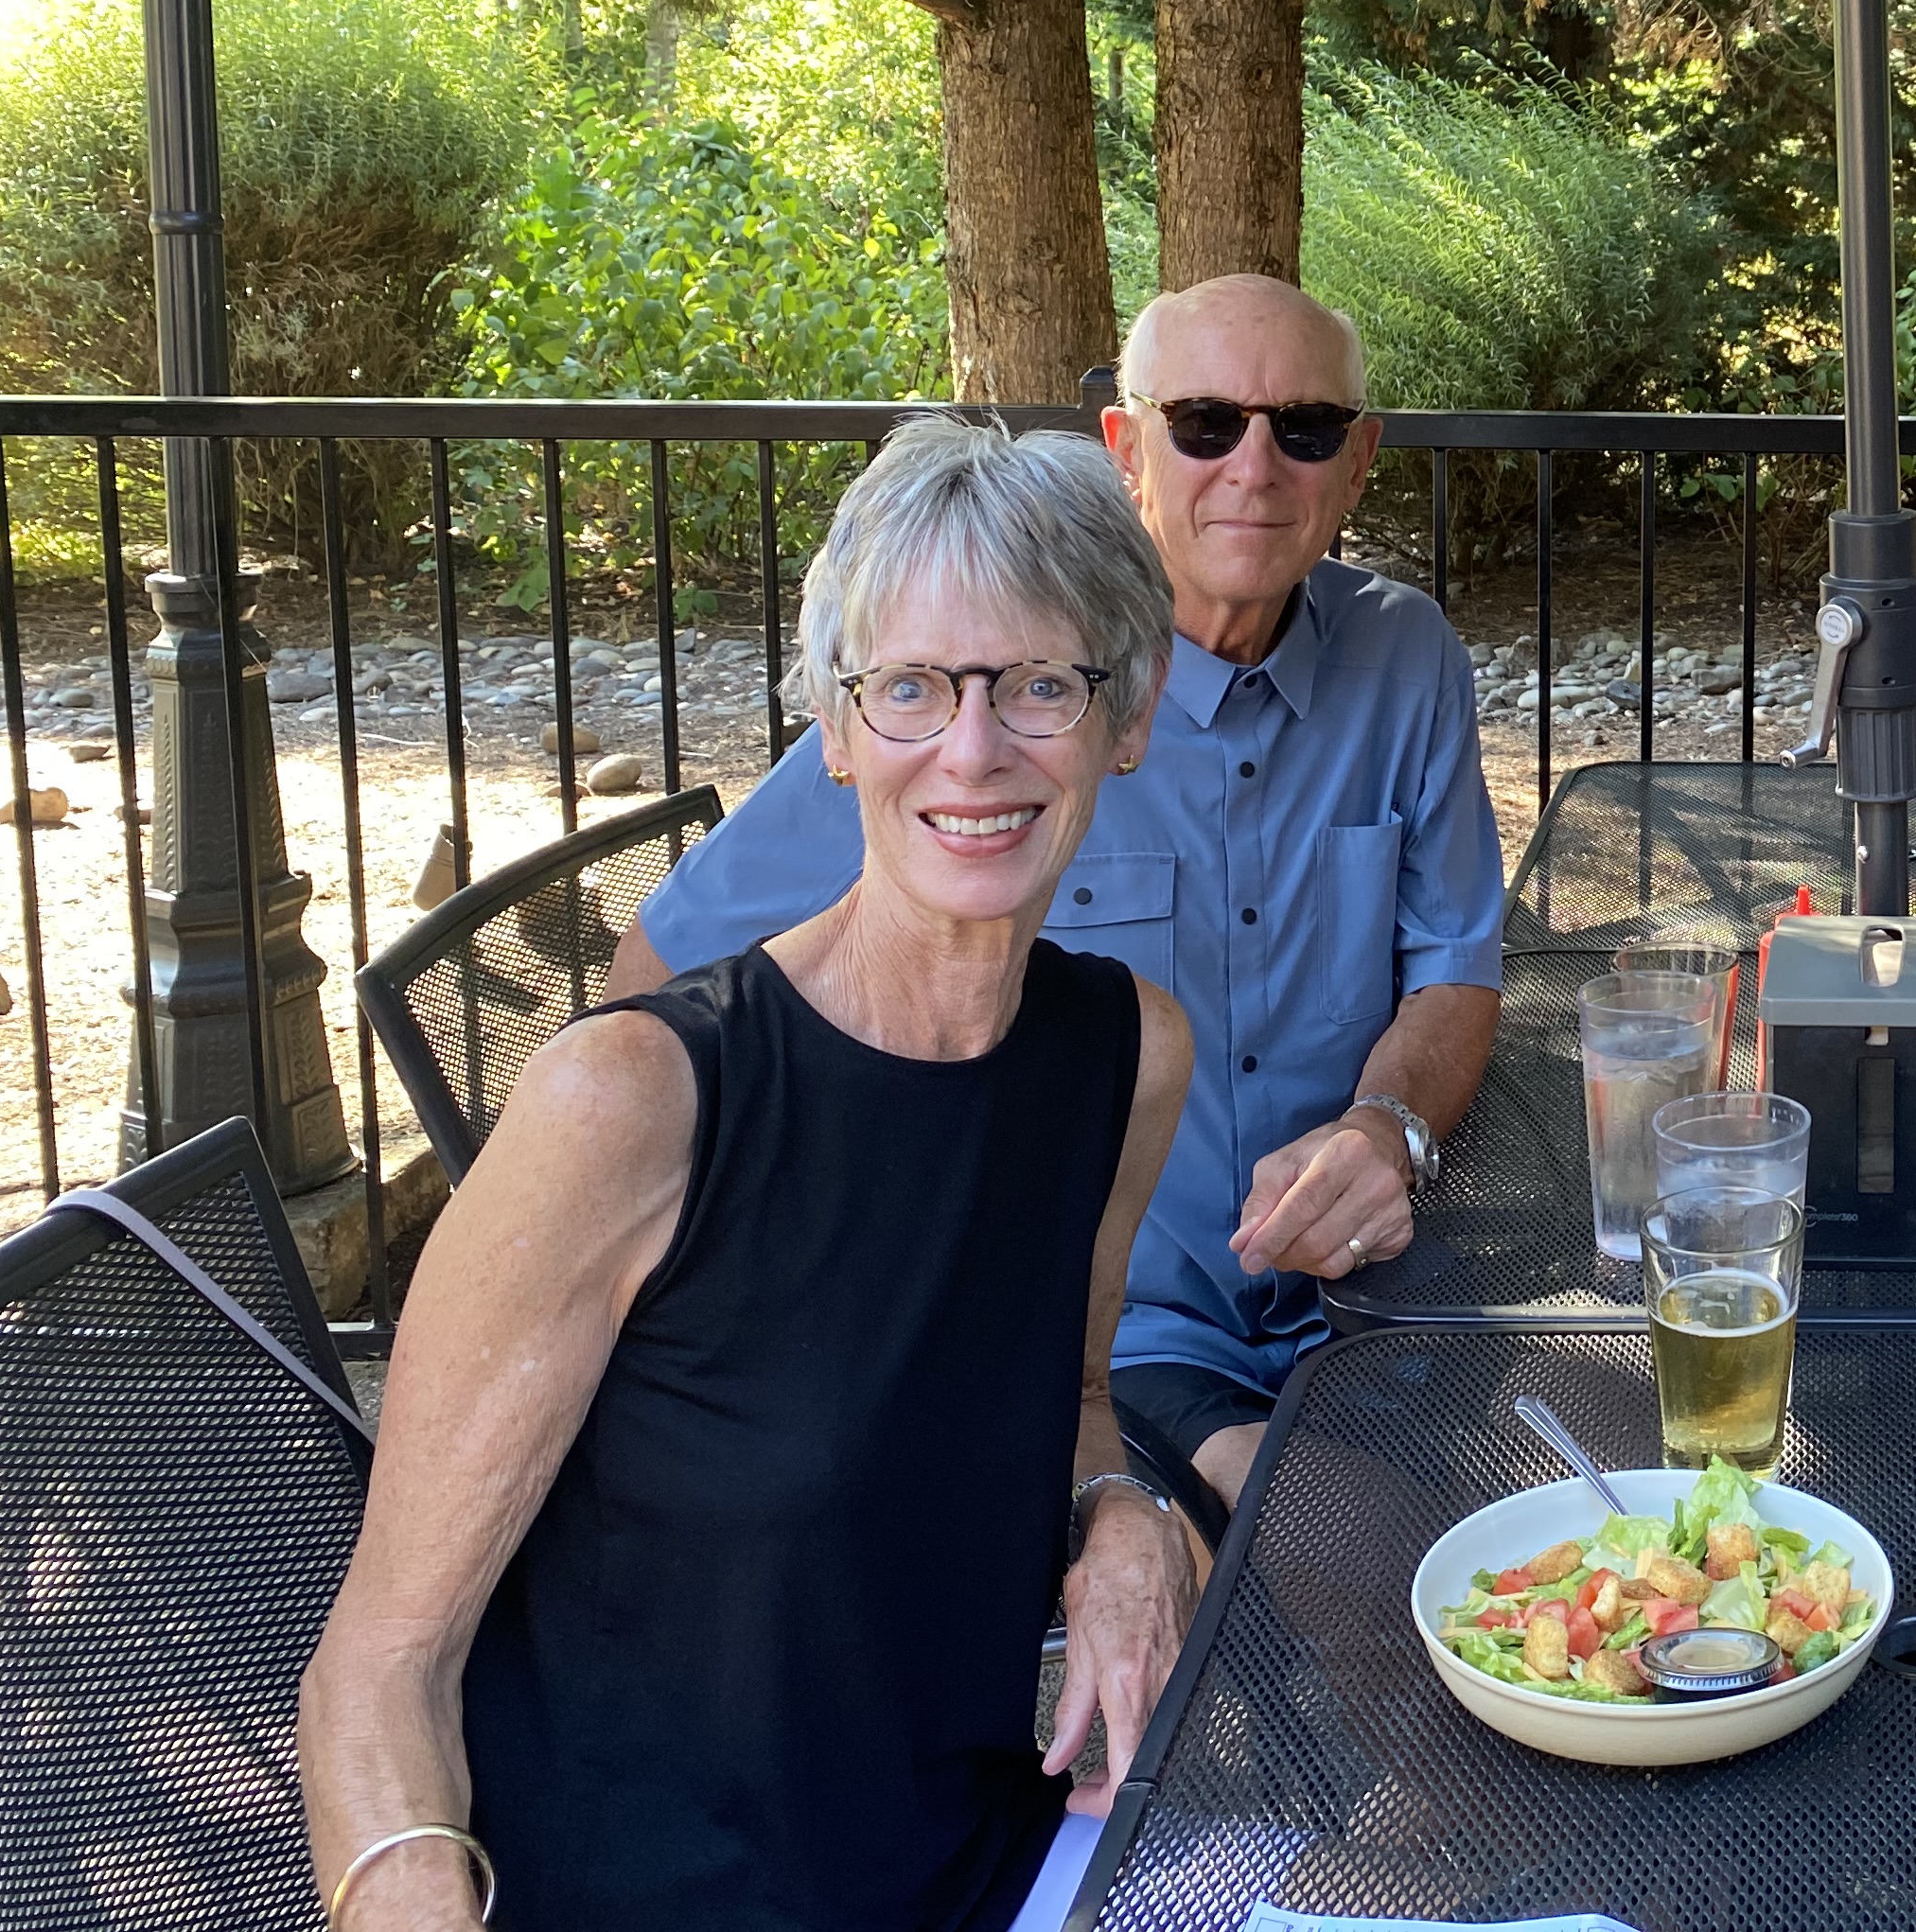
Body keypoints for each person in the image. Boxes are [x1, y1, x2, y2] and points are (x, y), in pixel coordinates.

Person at [301, 416, 1199, 1932]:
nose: (972, 749)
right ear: (835, 731)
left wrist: (1120, 1514)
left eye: (1041, 683)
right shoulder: (633, 1105)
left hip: (992, 1865)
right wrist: (418, 1895)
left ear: (1128, 714)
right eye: (910, 687)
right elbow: (380, 1669)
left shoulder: (1127, 1057)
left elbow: (1079, 1392)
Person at [615, 274, 1503, 1515]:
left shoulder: (1405, 659)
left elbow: (1456, 967)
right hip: (1101, 1345)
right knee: (1358, 1551)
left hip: (1368, 1293)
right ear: (1126, 447)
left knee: (1607, 1497)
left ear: (1357, 463)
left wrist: (1384, 1130)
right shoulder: (985, 699)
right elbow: (658, 988)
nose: (1253, 466)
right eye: (1205, 423)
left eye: (1304, 428)